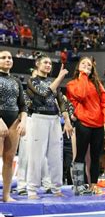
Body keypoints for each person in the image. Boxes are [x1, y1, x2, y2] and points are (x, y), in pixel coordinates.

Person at [26, 53, 73, 199]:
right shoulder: (31, 81)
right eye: (45, 62)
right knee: (36, 156)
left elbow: (61, 102)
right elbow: (43, 95)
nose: (48, 65)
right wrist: (59, 78)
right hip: (39, 118)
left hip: (54, 120)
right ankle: (32, 189)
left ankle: (56, 188)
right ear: (37, 64)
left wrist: (68, 121)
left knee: (55, 156)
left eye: (50, 64)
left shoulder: (54, 82)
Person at [66, 56, 105, 195]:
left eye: (89, 64)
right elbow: (81, 94)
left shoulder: (98, 84)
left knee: (95, 157)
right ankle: (78, 186)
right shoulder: (72, 84)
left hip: (98, 124)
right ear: (78, 67)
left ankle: (93, 185)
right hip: (83, 123)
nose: (87, 65)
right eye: (83, 63)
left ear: (93, 68)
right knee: (80, 155)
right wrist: (83, 76)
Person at [0, 50, 27, 202]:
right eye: (3, 57)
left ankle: (6, 195)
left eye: (9, 57)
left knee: (9, 160)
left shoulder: (16, 81)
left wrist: (23, 121)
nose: (7, 60)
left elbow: (22, 105)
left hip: (13, 121)